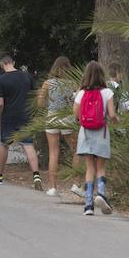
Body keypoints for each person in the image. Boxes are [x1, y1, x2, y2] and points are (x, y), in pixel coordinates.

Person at [74, 61, 119, 215]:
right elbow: (112, 115)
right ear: (102, 75)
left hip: (85, 133)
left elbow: (76, 115)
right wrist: (116, 121)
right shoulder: (107, 93)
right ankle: (100, 194)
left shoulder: (81, 93)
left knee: (89, 168)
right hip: (102, 132)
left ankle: (88, 205)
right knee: (100, 168)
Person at [0, 55, 42, 188]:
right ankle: (36, 175)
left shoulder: (1, 79)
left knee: (4, 144)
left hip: (9, 116)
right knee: (28, 145)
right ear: (13, 62)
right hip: (26, 115)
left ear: (2, 64)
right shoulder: (27, 76)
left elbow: (0, 103)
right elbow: (35, 96)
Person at [37, 56, 77, 197]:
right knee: (75, 150)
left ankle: (53, 187)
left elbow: (40, 103)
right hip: (67, 117)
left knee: (53, 152)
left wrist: (50, 103)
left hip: (52, 116)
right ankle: (75, 183)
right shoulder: (72, 84)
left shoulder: (47, 83)